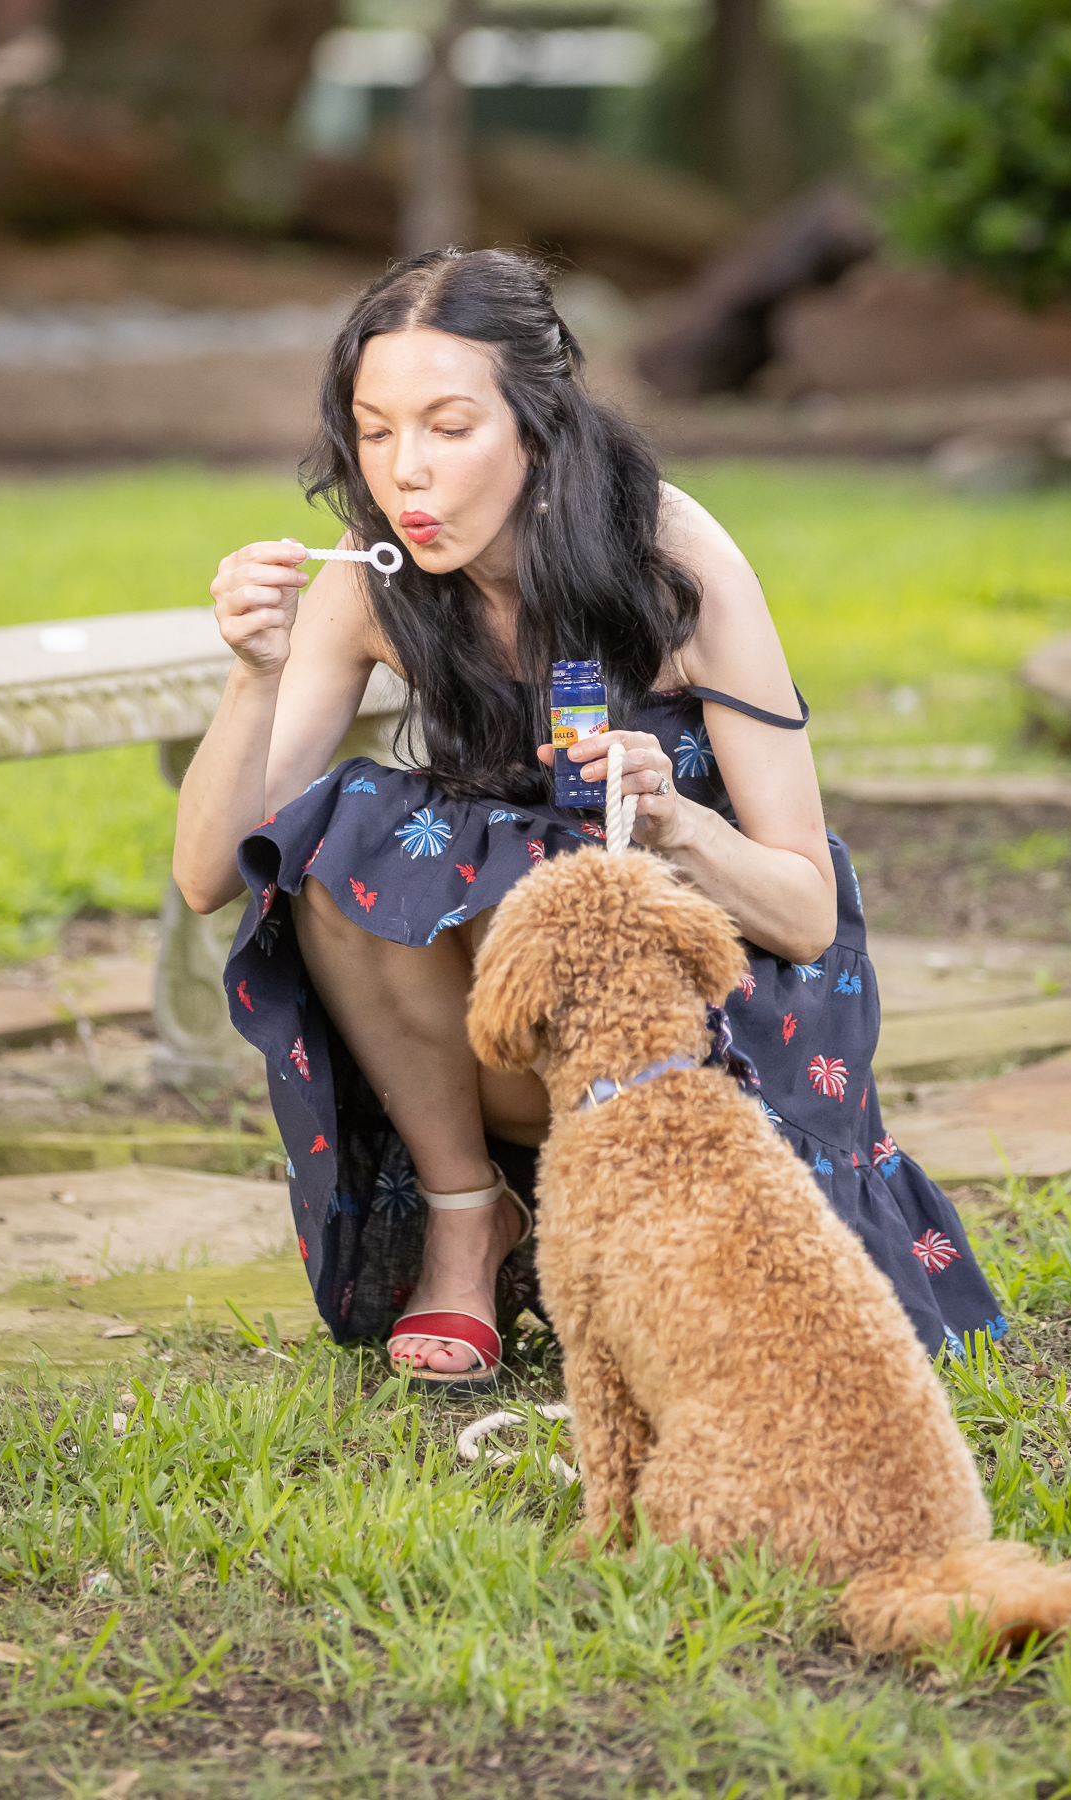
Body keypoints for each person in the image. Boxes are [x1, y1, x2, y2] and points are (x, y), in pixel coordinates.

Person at [173, 247, 1006, 1395]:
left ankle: (626, 1245)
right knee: (342, 826)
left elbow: (807, 916)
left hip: (702, 1012)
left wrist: (674, 822)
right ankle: (470, 1219)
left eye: (448, 426)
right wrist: (253, 676)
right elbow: (212, 874)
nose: (404, 473)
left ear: (536, 423)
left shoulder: (672, 562)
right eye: (374, 431)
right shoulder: (372, 584)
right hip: (500, 1020)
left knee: (562, 877)